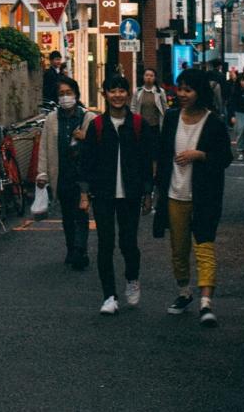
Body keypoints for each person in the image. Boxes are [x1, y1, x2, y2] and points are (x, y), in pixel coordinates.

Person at [153, 67, 233, 328]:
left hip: (204, 195)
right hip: (175, 194)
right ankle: (184, 292)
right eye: (180, 88)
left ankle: (206, 302)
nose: (183, 94)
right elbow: (164, 155)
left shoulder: (214, 122)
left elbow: (225, 158)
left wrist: (201, 155)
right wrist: (156, 189)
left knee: (204, 246)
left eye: (189, 89)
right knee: (179, 248)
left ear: (200, 92)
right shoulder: (172, 117)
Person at [77, 75, 155, 316]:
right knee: (105, 243)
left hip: (131, 194)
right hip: (103, 193)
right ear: (105, 94)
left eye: (122, 90)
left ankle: (132, 279)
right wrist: (84, 193)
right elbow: (86, 161)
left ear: (128, 94)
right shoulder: (98, 125)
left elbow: (147, 161)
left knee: (128, 242)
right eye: (113, 91)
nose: (118, 95)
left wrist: (148, 192)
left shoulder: (139, 124)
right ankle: (109, 295)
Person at [35, 77, 97, 270]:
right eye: (61, 94)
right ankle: (71, 248)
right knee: (67, 215)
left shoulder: (89, 118)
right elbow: (45, 147)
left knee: (81, 212)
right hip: (61, 173)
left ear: (76, 95)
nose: (65, 97)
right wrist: (42, 173)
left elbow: (99, 145)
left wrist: (85, 137)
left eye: (68, 93)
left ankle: (80, 250)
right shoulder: (52, 119)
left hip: (83, 175)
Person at [132, 68, 167, 133]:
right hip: (141, 126)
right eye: (147, 75)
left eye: (151, 76)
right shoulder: (138, 91)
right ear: (143, 77)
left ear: (155, 78)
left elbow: (165, 108)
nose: (149, 77)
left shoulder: (160, 92)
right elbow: (133, 107)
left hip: (155, 126)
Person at [229, 72, 244, 161]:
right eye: (243, 81)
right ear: (239, 82)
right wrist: (232, 116)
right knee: (240, 134)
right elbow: (231, 104)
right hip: (238, 114)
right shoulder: (235, 92)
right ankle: (240, 152)